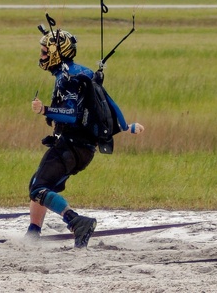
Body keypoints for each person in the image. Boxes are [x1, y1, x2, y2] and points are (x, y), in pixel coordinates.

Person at [27, 26, 144, 247]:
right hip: (82, 149)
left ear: (56, 54)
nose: (41, 56)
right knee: (40, 183)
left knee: (38, 188)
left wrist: (45, 110)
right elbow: (107, 102)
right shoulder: (84, 72)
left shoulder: (67, 78)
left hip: (72, 147)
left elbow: (71, 115)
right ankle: (32, 234)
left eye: (44, 52)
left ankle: (76, 222)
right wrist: (125, 126)